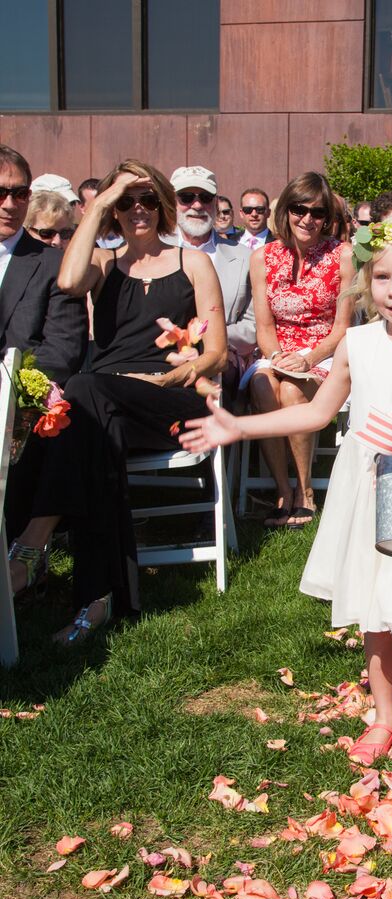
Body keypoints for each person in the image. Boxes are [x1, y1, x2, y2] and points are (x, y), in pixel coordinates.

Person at [181, 213, 392, 763]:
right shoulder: (357, 343)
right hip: (365, 486)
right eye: (382, 278)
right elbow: (316, 412)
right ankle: (383, 712)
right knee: (372, 608)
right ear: (365, 283)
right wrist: (240, 427)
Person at [8, 159, 226, 642]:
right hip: (104, 404)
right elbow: (67, 282)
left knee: (83, 396)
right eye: (126, 201)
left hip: (169, 401)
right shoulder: (104, 262)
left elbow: (216, 354)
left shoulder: (194, 263)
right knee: (93, 429)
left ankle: (28, 548)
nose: (138, 209)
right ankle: (98, 601)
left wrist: (167, 380)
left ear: (163, 205)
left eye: (147, 199)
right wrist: (100, 203)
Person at [243, 171, 354, 529]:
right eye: (299, 209)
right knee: (263, 385)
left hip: (322, 353)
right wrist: (276, 357)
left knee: (291, 389)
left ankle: (305, 491)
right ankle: (282, 490)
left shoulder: (343, 255)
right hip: (276, 351)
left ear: (328, 218)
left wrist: (307, 358)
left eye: (318, 212)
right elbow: (264, 327)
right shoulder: (263, 257)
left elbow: (342, 329)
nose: (308, 219)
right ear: (286, 210)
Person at [0, 144, 88, 561]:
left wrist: (16, 393)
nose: (10, 204)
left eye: (19, 194)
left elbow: (64, 348)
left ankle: (19, 561)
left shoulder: (53, 264)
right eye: (1, 192)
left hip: (18, 405)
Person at [167, 165, 256, 396]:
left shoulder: (244, 256)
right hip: (161, 357)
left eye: (205, 198)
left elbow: (254, 324)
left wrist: (210, 346)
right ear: (172, 202)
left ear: (215, 204)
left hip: (222, 363)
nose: (197, 205)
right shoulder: (155, 251)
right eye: (186, 197)